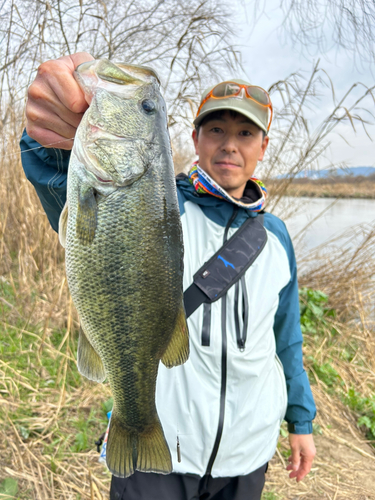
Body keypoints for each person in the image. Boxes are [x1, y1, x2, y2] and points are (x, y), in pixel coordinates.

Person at [20, 52, 316, 500]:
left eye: (245, 132)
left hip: (248, 452)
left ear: (263, 146)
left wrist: (301, 419)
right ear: (194, 139)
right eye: (216, 129)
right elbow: (69, 195)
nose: (230, 144)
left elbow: (286, 336)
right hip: (166, 451)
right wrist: (50, 142)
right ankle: (134, 420)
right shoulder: (160, 202)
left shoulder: (276, 237)